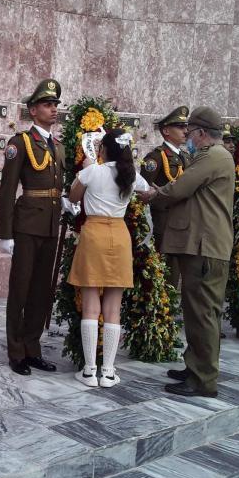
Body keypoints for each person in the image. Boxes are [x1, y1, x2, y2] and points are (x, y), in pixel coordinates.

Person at [137, 107, 235, 398]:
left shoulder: (213, 157)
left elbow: (180, 189)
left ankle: (203, 380)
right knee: (197, 313)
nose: (187, 138)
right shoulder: (214, 156)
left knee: (203, 315)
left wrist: (155, 194)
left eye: (190, 132)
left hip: (205, 248)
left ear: (202, 133)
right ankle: (195, 367)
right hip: (203, 245)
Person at [69, 129, 149, 387]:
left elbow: (73, 197)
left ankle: (89, 371)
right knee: (113, 308)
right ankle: (109, 372)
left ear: (103, 148)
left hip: (94, 234)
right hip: (119, 235)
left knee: (91, 304)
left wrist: (85, 167)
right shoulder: (131, 174)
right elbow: (149, 192)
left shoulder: (94, 170)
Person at [0, 79, 66, 376]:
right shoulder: (20, 143)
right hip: (26, 226)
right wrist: (5, 233)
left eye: (55, 105)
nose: (53, 110)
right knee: (21, 289)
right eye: (48, 105)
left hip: (50, 225)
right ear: (33, 110)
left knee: (41, 291)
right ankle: (16, 351)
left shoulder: (59, 147)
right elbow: (9, 189)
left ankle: (32, 347)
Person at [140, 106, 190, 289]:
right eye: (179, 127)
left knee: (175, 269)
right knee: (164, 267)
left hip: (182, 221)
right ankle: (162, 308)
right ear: (166, 131)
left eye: (186, 126)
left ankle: (170, 305)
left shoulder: (185, 156)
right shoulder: (156, 157)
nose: (185, 131)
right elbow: (143, 191)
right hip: (163, 221)